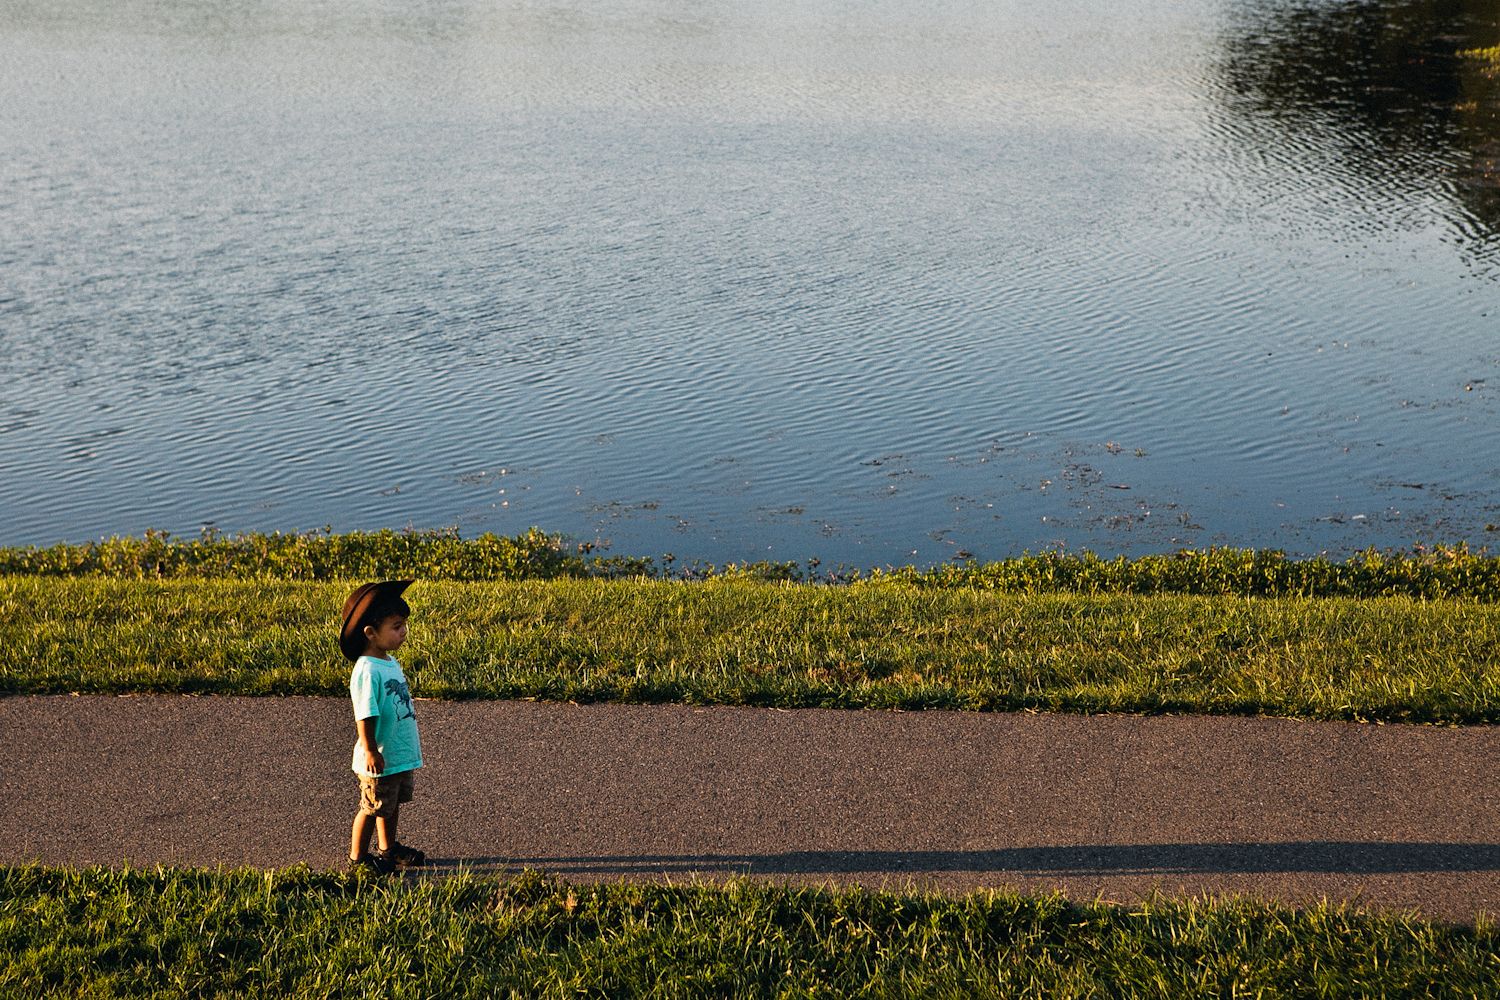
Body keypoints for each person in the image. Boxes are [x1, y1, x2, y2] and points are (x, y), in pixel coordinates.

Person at [341, 579, 427, 874]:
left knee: (389, 806)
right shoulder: (366, 669)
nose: (404, 632)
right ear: (371, 633)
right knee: (371, 807)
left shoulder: (388, 661)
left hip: (395, 754)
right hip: (377, 756)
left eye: (404, 624)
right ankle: (358, 858)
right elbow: (365, 714)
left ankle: (388, 850)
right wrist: (369, 751)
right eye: (396, 626)